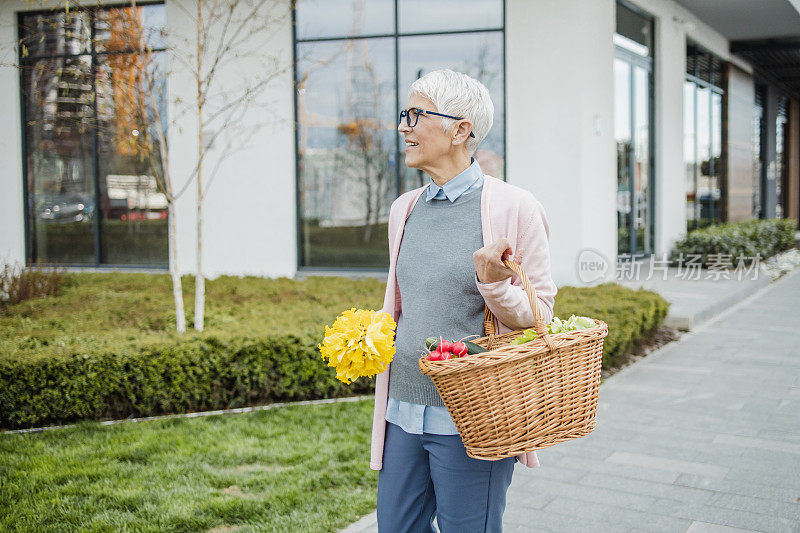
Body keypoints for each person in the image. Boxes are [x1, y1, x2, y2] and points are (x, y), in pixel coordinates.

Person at [371, 69, 557, 532]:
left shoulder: (515, 207)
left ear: (461, 129)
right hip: (404, 408)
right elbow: (405, 303)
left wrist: (493, 284)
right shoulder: (404, 208)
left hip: (473, 415)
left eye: (415, 115)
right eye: (403, 114)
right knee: (396, 526)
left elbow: (541, 315)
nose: (403, 127)